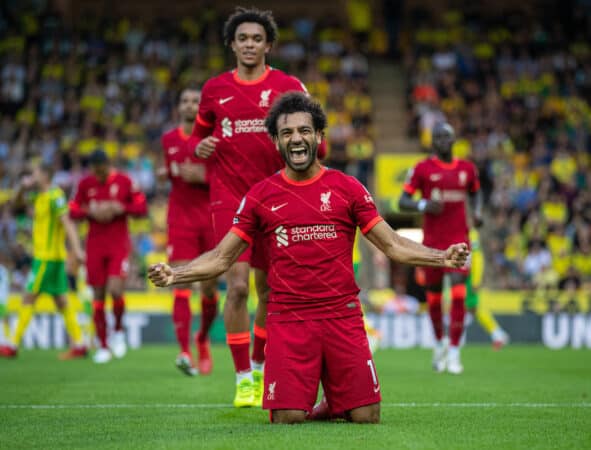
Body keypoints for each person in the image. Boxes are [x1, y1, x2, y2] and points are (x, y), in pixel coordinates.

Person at [148, 92, 469, 423]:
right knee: (286, 418)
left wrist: (442, 257)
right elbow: (220, 258)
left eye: (304, 131)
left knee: (367, 416)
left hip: (341, 316)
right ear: (275, 141)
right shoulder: (260, 195)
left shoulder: (348, 188)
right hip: (288, 319)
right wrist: (176, 274)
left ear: (319, 137)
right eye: (287, 133)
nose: (296, 139)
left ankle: (336, 399)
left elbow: (393, 245)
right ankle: (322, 400)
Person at [189, 7, 325, 407]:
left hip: (275, 197)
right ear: (232, 44)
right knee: (235, 286)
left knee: (267, 291)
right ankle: (244, 378)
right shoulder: (214, 89)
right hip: (229, 198)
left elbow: (314, 134)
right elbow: (197, 139)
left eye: (257, 39)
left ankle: (261, 364)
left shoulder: (287, 86)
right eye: (242, 39)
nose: (250, 45)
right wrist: (201, 147)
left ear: (268, 44)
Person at [399, 122, 483, 374]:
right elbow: (403, 201)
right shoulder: (422, 169)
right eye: (437, 138)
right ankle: (439, 344)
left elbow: (476, 193)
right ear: (432, 142)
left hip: (460, 240)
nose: (442, 141)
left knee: (458, 293)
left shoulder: (467, 168)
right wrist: (423, 205)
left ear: (454, 138)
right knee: (434, 297)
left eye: (446, 136)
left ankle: (455, 352)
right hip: (433, 244)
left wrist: (477, 212)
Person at [158, 85, 219, 376]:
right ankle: (184, 351)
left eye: (196, 100)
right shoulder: (168, 139)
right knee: (179, 282)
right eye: (185, 100)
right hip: (180, 219)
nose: (190, 105)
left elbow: (226, 176)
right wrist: (168, 173)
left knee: (208, 286)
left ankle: (203, 338)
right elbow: (169, 170)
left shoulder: (213, 138)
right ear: (179, 106)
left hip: (210, 218)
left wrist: (205, 176)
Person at [0, 162, 87, 359]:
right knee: (61, 300)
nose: (32, 176)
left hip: (46, 257)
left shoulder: (55, 196)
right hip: (52, 258)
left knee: (28, 296)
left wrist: (77, 250)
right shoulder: (38, 197)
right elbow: (15, 204)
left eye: (36, 173)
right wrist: (22, 186)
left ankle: (12, 344)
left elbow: (67, 223)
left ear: (46, 175)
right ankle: (80, 344)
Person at [69, 149, 147, 364]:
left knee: (115, 289)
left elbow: (141, 207)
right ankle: (103, 344)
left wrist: (120, 207)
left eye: (102, 170)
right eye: (96, 171)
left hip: (118, 244)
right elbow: (73, 211)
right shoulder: (85, 184)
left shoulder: (124, 181)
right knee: (98, 296)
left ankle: (119, 330)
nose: (99, 175)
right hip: (94, 245)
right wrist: (91, 211)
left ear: (108, 165)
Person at [464, 228, 509, 349]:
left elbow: (477, 256)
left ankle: (498, 334)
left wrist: (476, 279)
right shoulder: (462, 230)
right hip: (461, 274)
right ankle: (498, 334)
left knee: (471, 307)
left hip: (468, 276)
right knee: (472, 308)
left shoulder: (470, 233)